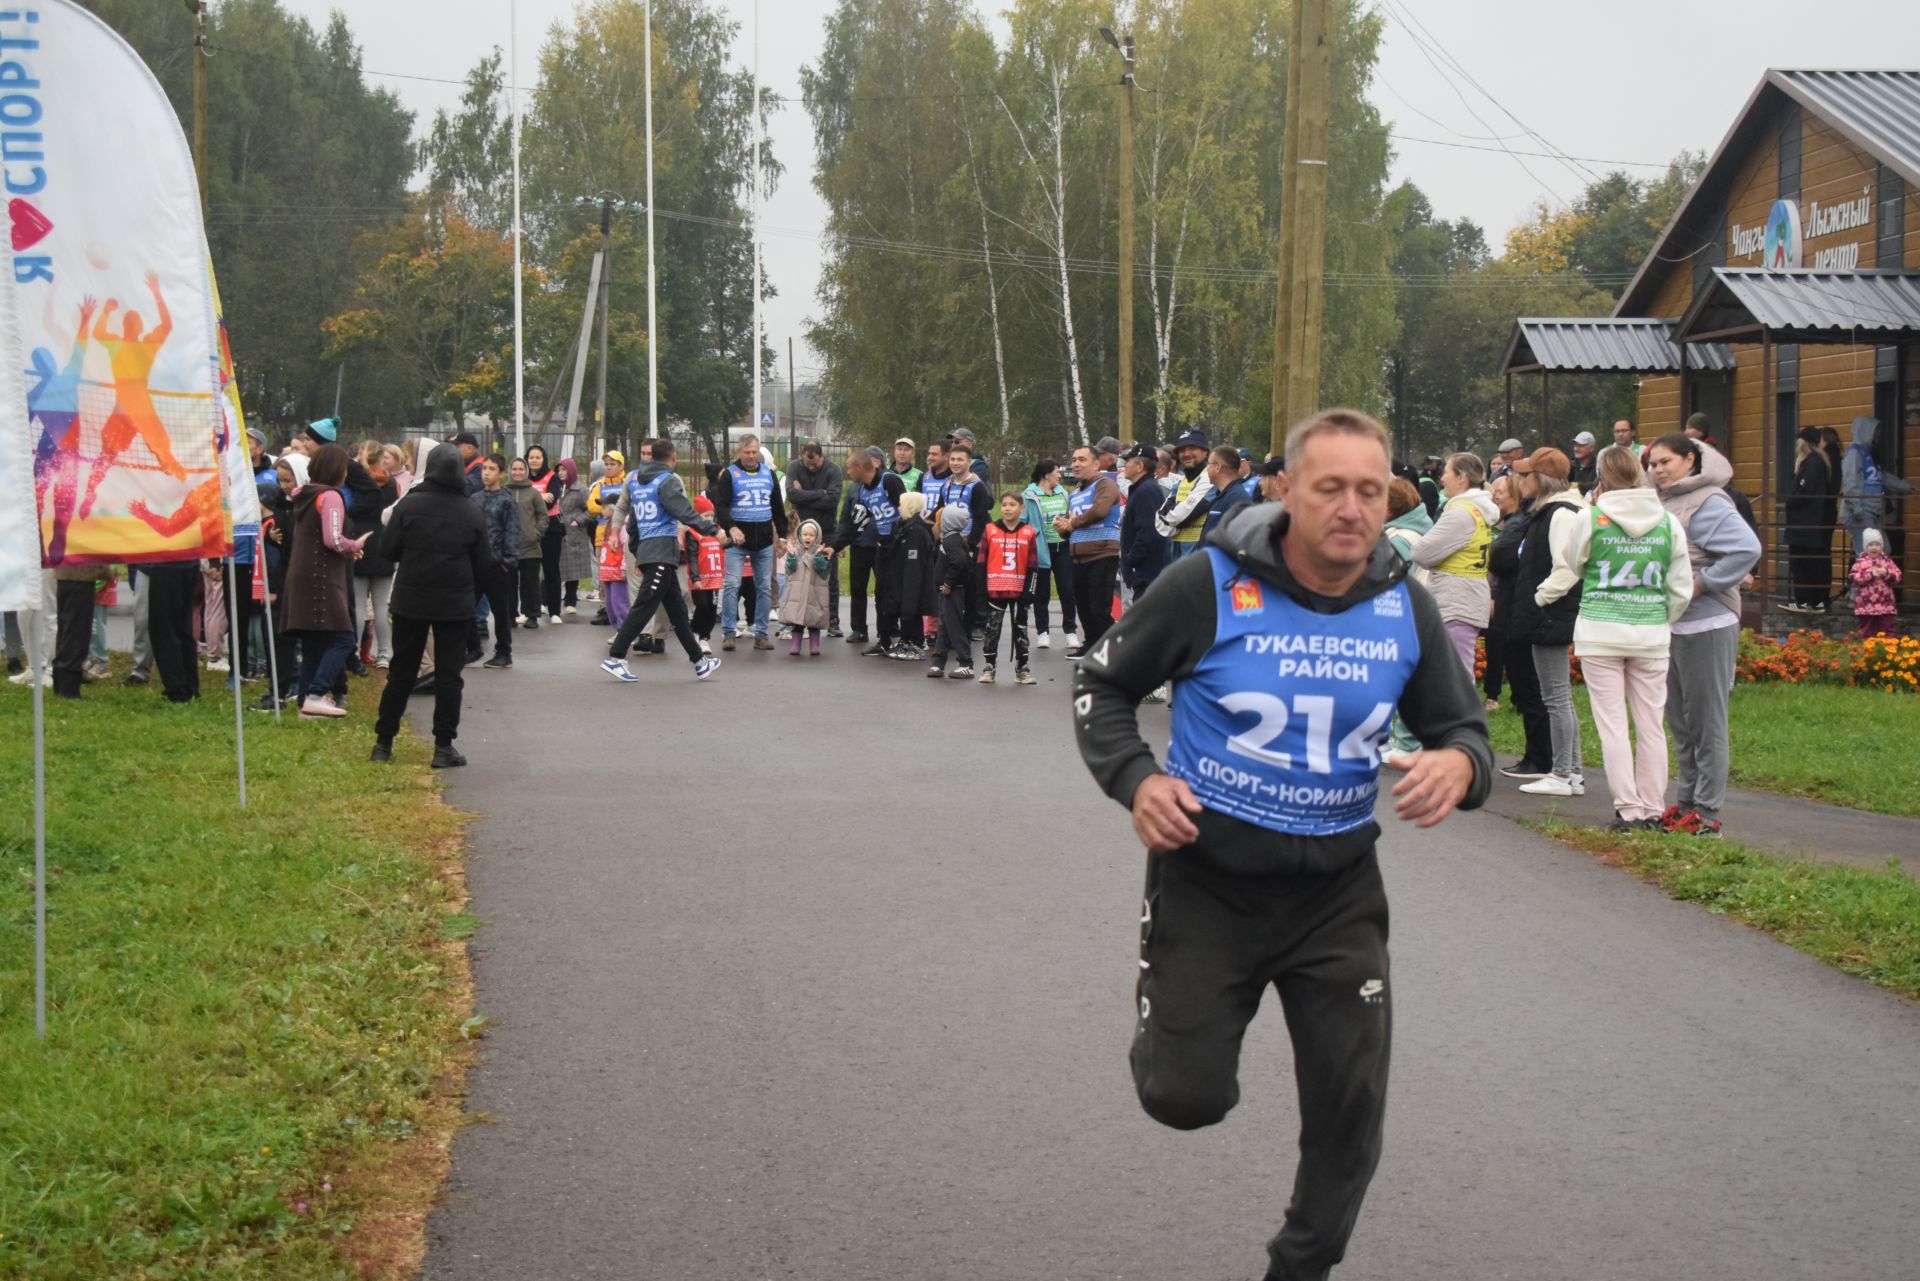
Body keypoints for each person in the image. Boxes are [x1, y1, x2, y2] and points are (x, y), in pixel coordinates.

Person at [1072, 408, 1491, 1281]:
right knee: (1184, 1100)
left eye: (1369, 490)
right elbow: (1101, 686)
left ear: (1390, 499)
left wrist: (1458, 764)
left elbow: (1466, 732)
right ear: (1286, 490)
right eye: (1329, 487)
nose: (1351, 507)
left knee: (1350, 1105)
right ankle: (1168, 1024)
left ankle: (1298, 1269)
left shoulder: (1402, 605)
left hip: (1337, 890)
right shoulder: (1208, 584)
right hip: (1208, 881)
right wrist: (1139, 781)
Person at [1535, 446, 1692, 831]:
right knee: (1652, 725)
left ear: (1602, 480)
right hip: (1651, 634)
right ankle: (1654, 809)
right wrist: (1659, 618)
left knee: (1613, 726)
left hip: (1600, 632)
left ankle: (1628, 809)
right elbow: (1681, 588)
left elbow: (1573, 563)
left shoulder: (1592, 518)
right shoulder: (1668, 523)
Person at [1647, 435, 1762, 838]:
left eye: (1667, 461)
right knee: (1680, 719)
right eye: (1654, 463)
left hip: (1707, 623)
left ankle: (1708, 813)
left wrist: (1701, 584)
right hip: (1672, 624)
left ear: (1691, 459)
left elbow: (1746, 548)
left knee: (1707, 722)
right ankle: (1686, 802)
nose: (1659, 469)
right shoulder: (1662, 500)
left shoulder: (1708, 501)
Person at [371, 443, 491, 769]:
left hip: (411, 599)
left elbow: (388, 549)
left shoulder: (409, 506)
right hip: (453, 604)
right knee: (449, 677)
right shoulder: (471, 511)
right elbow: (484, 565)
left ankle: (383, 742)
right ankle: (443, 746)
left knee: (401, 673)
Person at [601, 439, 725, 683]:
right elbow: (685, 512)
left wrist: (637, 552)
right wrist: (713, 530)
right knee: (644, 606)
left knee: (678, 611)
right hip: (660, 553)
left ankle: (700, 661)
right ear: (673, 457)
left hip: (652, 553)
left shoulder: (638, 483)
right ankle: (615, 657)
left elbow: (634, 523)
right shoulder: (666, 481)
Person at [1504, 447, 1586, 797]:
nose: (1519, 481)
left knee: (1554, 696)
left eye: (1525, 475)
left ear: (1542, 478)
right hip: (1547, 612)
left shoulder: (1561, 514)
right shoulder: (1550, 511)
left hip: (1550, 613)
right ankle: (1573, 771)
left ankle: (1563, 773)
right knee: (1558, 696)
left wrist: (1539, 598)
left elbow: (1566, 567)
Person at [283, 443, 369, 716]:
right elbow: (332, 539)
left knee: (314, 643)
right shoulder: (331, 496)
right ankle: (318, 692)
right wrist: (354, 545)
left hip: (301, 574)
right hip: (321, 577)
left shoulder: (305, 496)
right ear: (337, 470)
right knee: (344, 638)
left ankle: (305, 703)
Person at [1485, 474, 1552, 780]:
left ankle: (1539, 757)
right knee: (1525, 687)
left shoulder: (1524, 522)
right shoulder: (1517, 522)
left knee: (1530, 687)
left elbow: (1498, 559)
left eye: (1500, 491)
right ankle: (1536, 754)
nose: (1495, 496)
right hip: (1511, 610)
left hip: (1519, 613)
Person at [1410, 452, 1497, 680]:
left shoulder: (1460, 513)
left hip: (1456, 602)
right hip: (1466, 599)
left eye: (1447, 472)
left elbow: (1421, 553)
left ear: (1462, 478)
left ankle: (1464, 716)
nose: (1442, 479)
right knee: (1454, 672)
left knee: (1455, 676)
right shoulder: (1477, 510)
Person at [824, 445, 909, 657]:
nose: (848, 473)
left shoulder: (889, 480)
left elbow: (909, 511)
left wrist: (904, 538)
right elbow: (856, 523)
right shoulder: (863, 491)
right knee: (880, 594)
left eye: (850, 468)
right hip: (883, 546)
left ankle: (909, 640)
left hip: (900, 546)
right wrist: (835, 546)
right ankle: (884, 640)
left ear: (862, 467)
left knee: (895, 594)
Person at [710, 434, 790, 652]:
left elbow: (777, 508)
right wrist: (731, 527)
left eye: (755, 452)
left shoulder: (768, 474)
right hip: (737, 540)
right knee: (732, 585)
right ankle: (729, 632)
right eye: (747, 452)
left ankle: (761, 634)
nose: (751, 456)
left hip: (763, 540)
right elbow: (721, 506)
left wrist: (782, 536)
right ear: (740, 452)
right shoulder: (729, 474)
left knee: (764, 587)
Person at [1055, 445, 1123, 656]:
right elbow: (1070, 525)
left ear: (1096, 463)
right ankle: (1091, 645)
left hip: (1102, 553)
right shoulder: (1075, 492)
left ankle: (1117, 651)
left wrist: (1072, 523)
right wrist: (1062, 527)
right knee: (1083, 607)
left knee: (1099, 608)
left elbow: (1099, 511)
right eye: (1074, 460)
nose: (1076, 464)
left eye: (1082, 460)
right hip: (1078, 556)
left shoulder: (1106, 485)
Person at [977, 490, 1040, 686]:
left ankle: (1022, 667)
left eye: (1012, 505)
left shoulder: (1029, 532)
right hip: (995, 589)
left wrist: (1029, 592)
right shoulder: (989, 530)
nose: (1007, 508)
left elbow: (1033, 566)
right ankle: (989, 666)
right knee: (992, 628)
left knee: (1021, 629)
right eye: (1004, 504)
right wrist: (981, 589)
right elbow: (981, 562)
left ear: (1021, 508)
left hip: (1019, 589)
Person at [786, 440, 845, 636]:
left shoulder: (833, 470)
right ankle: (797, 619)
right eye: (807, 464)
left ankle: (832, 619)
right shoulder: (794, 467)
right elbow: (792, 495)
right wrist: (820, 493)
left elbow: (833, 500)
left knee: (828, 576)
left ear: (822, 457)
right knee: (798, 576)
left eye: (815, 464)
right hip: (802, 531)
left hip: (827, 530)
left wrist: (804, 494)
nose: (811, 467)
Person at [351, 440, 399, 667]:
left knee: (358, 605)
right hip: (382, 542)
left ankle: (353, 653)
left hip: (358, 540)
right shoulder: (390, 484)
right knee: (382, 607)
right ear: (381, 459)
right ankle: (384, 654)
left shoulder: (356, 483)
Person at [471, 455, 519, 669]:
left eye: (492, 469)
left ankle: (503, 653)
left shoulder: (507, 501)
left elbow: (512, 532)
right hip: (474, 564)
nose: (486, 473)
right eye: (484, 469)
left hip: (497, 565)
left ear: (501, 473)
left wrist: (507, 562)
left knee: (501, 612)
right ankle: (472, 648)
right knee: (465, 608)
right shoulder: (474, 499)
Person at [1023, 459, 1076, 650]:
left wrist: (1067, 524)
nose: (1060, 476)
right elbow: (1022, 522)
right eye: (1057, 472)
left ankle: (1070, 631)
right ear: (1046, 475)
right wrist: (1033, 535)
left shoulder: (1063, 493)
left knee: (1068, 590)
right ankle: (1042, 632)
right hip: (1040, 551)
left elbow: (1071, 516)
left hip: (1063, 547)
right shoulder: (1028, 496)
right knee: (1041, 593)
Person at [1840, 415, 1911, 556]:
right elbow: (1850, 481)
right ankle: (1862, 578)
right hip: (1861, 511)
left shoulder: (1868, 453)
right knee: (1868, 554)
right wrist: (1856, 507)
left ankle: (1867, 577)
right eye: (1875, 430)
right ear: (1866, 431)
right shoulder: (1854, 453)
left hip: (1872, 510)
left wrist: (1904, 486)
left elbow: (1881, 476)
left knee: (1881, 551)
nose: (1878, 434)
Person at [1784, 427, 1834, 613]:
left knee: (1802, 562)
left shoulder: (1812, 463)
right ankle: (1812, 600)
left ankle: (1806, 601)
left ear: (1804, 443)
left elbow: (1805, 491)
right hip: (1808, 523)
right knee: (1808, 562)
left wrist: (1790, 501)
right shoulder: (1815, 462)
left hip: (1804, 523)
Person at [926, 504, 976, 679]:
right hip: (949, 591)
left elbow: (960, 563)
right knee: (944, 627)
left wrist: (949, 583)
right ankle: (938, 662)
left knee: (953, 626)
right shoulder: (951, 539)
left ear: (947, 521)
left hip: (952, 592)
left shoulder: (951, 541)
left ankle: (966, 663)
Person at [1119, 445, 1170, 607]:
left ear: (1140, 466)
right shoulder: (1141, 489)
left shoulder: (1147, 490)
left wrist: (1131, 560)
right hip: (1143, 573)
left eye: (1128, 461)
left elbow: (1147, 533)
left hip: (1147, 574)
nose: (1124, 465)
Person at [1154, 428, 1214, 558]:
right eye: (1182, 450)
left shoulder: (1210, 477)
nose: (1186, 453)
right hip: (1177, 553)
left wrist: (1171, 522)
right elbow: (1159, 523)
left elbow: (1182, 514)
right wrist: (1174, 520)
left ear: (1205, 451)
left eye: (1192, 448)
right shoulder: (1181, 482)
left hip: (1200, 555)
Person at [505, 458, 550, 628]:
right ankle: (509, 615)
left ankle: (532, 615)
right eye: (514, 469)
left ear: (526, 471)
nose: (517, 472)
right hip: (508, 547)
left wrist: (536, 534)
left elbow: (543, 516)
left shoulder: (533, 493)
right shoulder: (504, 491)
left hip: (530, 547)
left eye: (520, 469)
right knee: (508, 584)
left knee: (530, 583)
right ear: (510, 471)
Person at [779, 520, 833, 656]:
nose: (808, 537)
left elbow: (822, 569)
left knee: (814, 620)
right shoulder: (795, 551)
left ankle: (815, 645)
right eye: (805, 534)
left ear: (817, 537)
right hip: (797, 593)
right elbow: (790, 569)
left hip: (815, 593)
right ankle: (795, 644)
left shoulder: (820, 552)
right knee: (797, 622)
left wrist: (819, 557)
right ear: (800, 535)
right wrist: (791, 557)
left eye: (811, 535)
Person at [895, 491, 938, 659]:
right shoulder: (905, 527)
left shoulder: (916, 532)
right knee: (908, 609)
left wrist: (909, 582)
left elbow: (914, 561)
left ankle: (915, 642)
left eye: (901, 504)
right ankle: (907, 640)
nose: (898, 508)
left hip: (913, 577)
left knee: (911, 608)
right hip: (905, 576)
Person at [553, 458, 594, 615]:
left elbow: (591, 510)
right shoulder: (556, 488)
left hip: (573, 533)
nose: (561, 473)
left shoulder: (581, 490)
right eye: (559, 470)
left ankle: (571, 601)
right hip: (556, 531)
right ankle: (545, 600)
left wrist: (578, 520)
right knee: (552, 565)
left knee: (572, 568)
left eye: (564, 470)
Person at [685, 494, 725, 649]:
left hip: (714, 578)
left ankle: (704, 638)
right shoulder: (693, 533)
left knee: (712, 608)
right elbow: (692, 556)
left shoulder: (718, 532)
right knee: (702, 605)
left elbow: (725, 549)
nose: (709, 519)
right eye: (705, 515)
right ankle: (695, 630)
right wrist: (695, 577)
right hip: (700, 578)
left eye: (711, 515)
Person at [1849, 529, 1902, 638]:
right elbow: (1854, 578)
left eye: (1877, 544)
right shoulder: (1860, 562)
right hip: (1866, 604)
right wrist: (1870, 574)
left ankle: (1887, 649)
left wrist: (1886, 573)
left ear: (1882, 547)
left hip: (1885, 604)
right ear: (1865, 547)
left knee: (1887, 629)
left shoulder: (1887, 561)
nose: (1874, 547)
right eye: (1871, 545)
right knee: (1866, 630)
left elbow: (1897, 576)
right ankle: (1867, 650)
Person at [1199, 445, 1250, 542]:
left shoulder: (1237, 498)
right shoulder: (1221, 495)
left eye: (1208, 464)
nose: (1206, 468)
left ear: (1217, 467)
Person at [452, 431, 486, 496]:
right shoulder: (465, 463)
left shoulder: (480, 467)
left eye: (457, 447)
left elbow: (467, 489)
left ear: (470, 448)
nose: (454, 450)